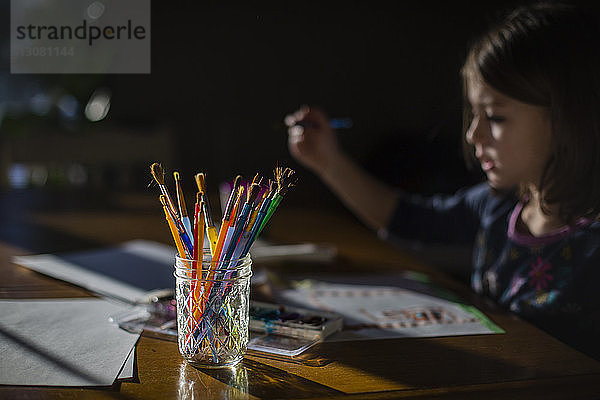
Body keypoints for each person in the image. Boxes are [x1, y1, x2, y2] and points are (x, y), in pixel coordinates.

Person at [285, 2, 600, 361]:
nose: (472, 134)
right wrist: (329, 162)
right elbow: (406, 220)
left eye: (495, 116)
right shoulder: (498, 204)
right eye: (474, 113)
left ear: (568, 119)